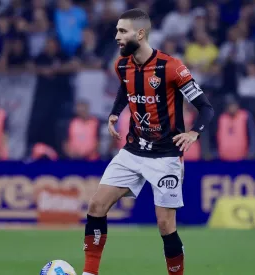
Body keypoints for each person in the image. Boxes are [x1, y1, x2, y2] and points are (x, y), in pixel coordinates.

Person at [82, 9, 214, 275]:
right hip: (132, 151)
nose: (117, 36)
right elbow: (126, 88)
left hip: (165, 156)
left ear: (140, 34)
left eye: (122, 31)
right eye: (117, 30)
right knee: (96, 206)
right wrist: (114, 113)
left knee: (165, 226)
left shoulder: (172, 67)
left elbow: (206, 107)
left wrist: (193, 132)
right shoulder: (122, 65)